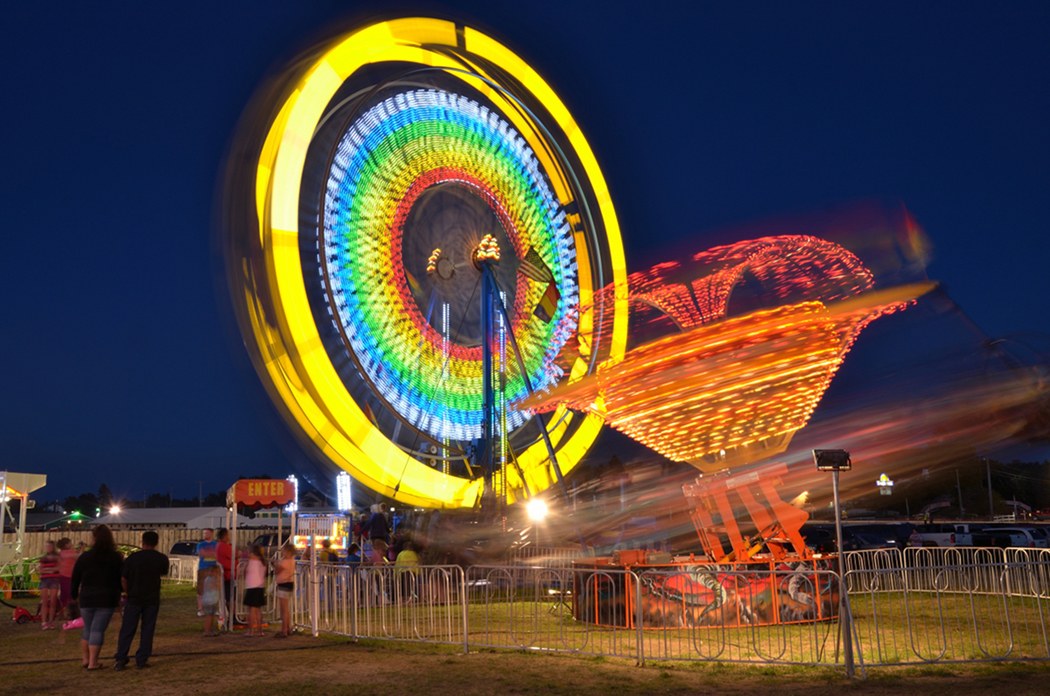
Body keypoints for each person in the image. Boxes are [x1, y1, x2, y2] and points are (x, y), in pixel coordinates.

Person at [113, 531, 169, 671]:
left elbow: (123, 579)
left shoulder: (133, 558)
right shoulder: (161, 558)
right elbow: (163, 573)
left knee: (127, 629)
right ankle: (142, 659)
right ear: (156, 543)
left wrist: (128, 593)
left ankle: (121, 658)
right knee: (147, 629)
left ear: (142, 542)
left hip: (134, 597)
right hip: (152, 598)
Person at [70, 524, 124, 670]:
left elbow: (75, 577)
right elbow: (120, 577)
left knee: (88, 628)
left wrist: (74, 594)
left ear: (93, 538)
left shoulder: (85, 557)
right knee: (97, 630)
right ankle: (93, 663)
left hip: (87, 597)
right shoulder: (115, 557)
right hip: (106, 597)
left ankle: (86, 659)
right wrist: (122, 593)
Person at [244, 545, 267, 637]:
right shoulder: (263, 563)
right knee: (258, 610)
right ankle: (259, 630)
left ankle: (251, 631)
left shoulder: (251, 562)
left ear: (253, 553)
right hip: (260, 587)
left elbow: (244, 572)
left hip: (251, 587)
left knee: (251, 610)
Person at [37, 540, 61, 629]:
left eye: (49, 546)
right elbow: (40, 570)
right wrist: (51, 569)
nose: (48, 548)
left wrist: (48, 569)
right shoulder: (43, 558)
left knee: (53, 601)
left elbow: (59, 567)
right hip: (45, 579)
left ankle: (51, 621)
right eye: (46, 546)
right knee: (44, 601)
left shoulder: (57, 557)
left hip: (54, 579)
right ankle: (43, 621)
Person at [274, 544, 296, 638]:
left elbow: (277, 571)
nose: (282, 552)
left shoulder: (284, 562)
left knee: (284, 609)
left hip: (283, 584)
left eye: (284, 550)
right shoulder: (292, 561)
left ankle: (284, 630)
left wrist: (275, 564)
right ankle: (288, 628)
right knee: (286, 608)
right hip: (289, 583)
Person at [196, 528, 218, 618]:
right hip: (203, 568)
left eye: (207, 533)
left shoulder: (216, 544)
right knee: (201, 589)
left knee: (214, 589)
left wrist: (207, 553)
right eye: (204, 533)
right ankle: (200, 609)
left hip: (213, 569)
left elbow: (217, 554)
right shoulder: (201, 544)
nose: (205, 534)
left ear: (211, 534)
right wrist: (211, 553)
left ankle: (215, 608)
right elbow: (201, 554)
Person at [57, 538, 79, 621]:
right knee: (71, 595)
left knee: (63, 595)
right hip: (69, 576)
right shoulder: (71, 552)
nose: (72, 544)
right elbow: (80, 558)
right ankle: (71, 613)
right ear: (66, 545)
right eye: (70, 543)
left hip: (61, 576)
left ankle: (62, 613)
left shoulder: (59, 553)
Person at [215, 528, 234, 620]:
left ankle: (232, 616)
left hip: (226, 573)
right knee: (230, 597)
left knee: (229, 596)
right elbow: (234, 554)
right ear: (225, 536)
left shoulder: (220, 545)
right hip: (228, 573)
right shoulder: (224, 546)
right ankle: (233, 617)